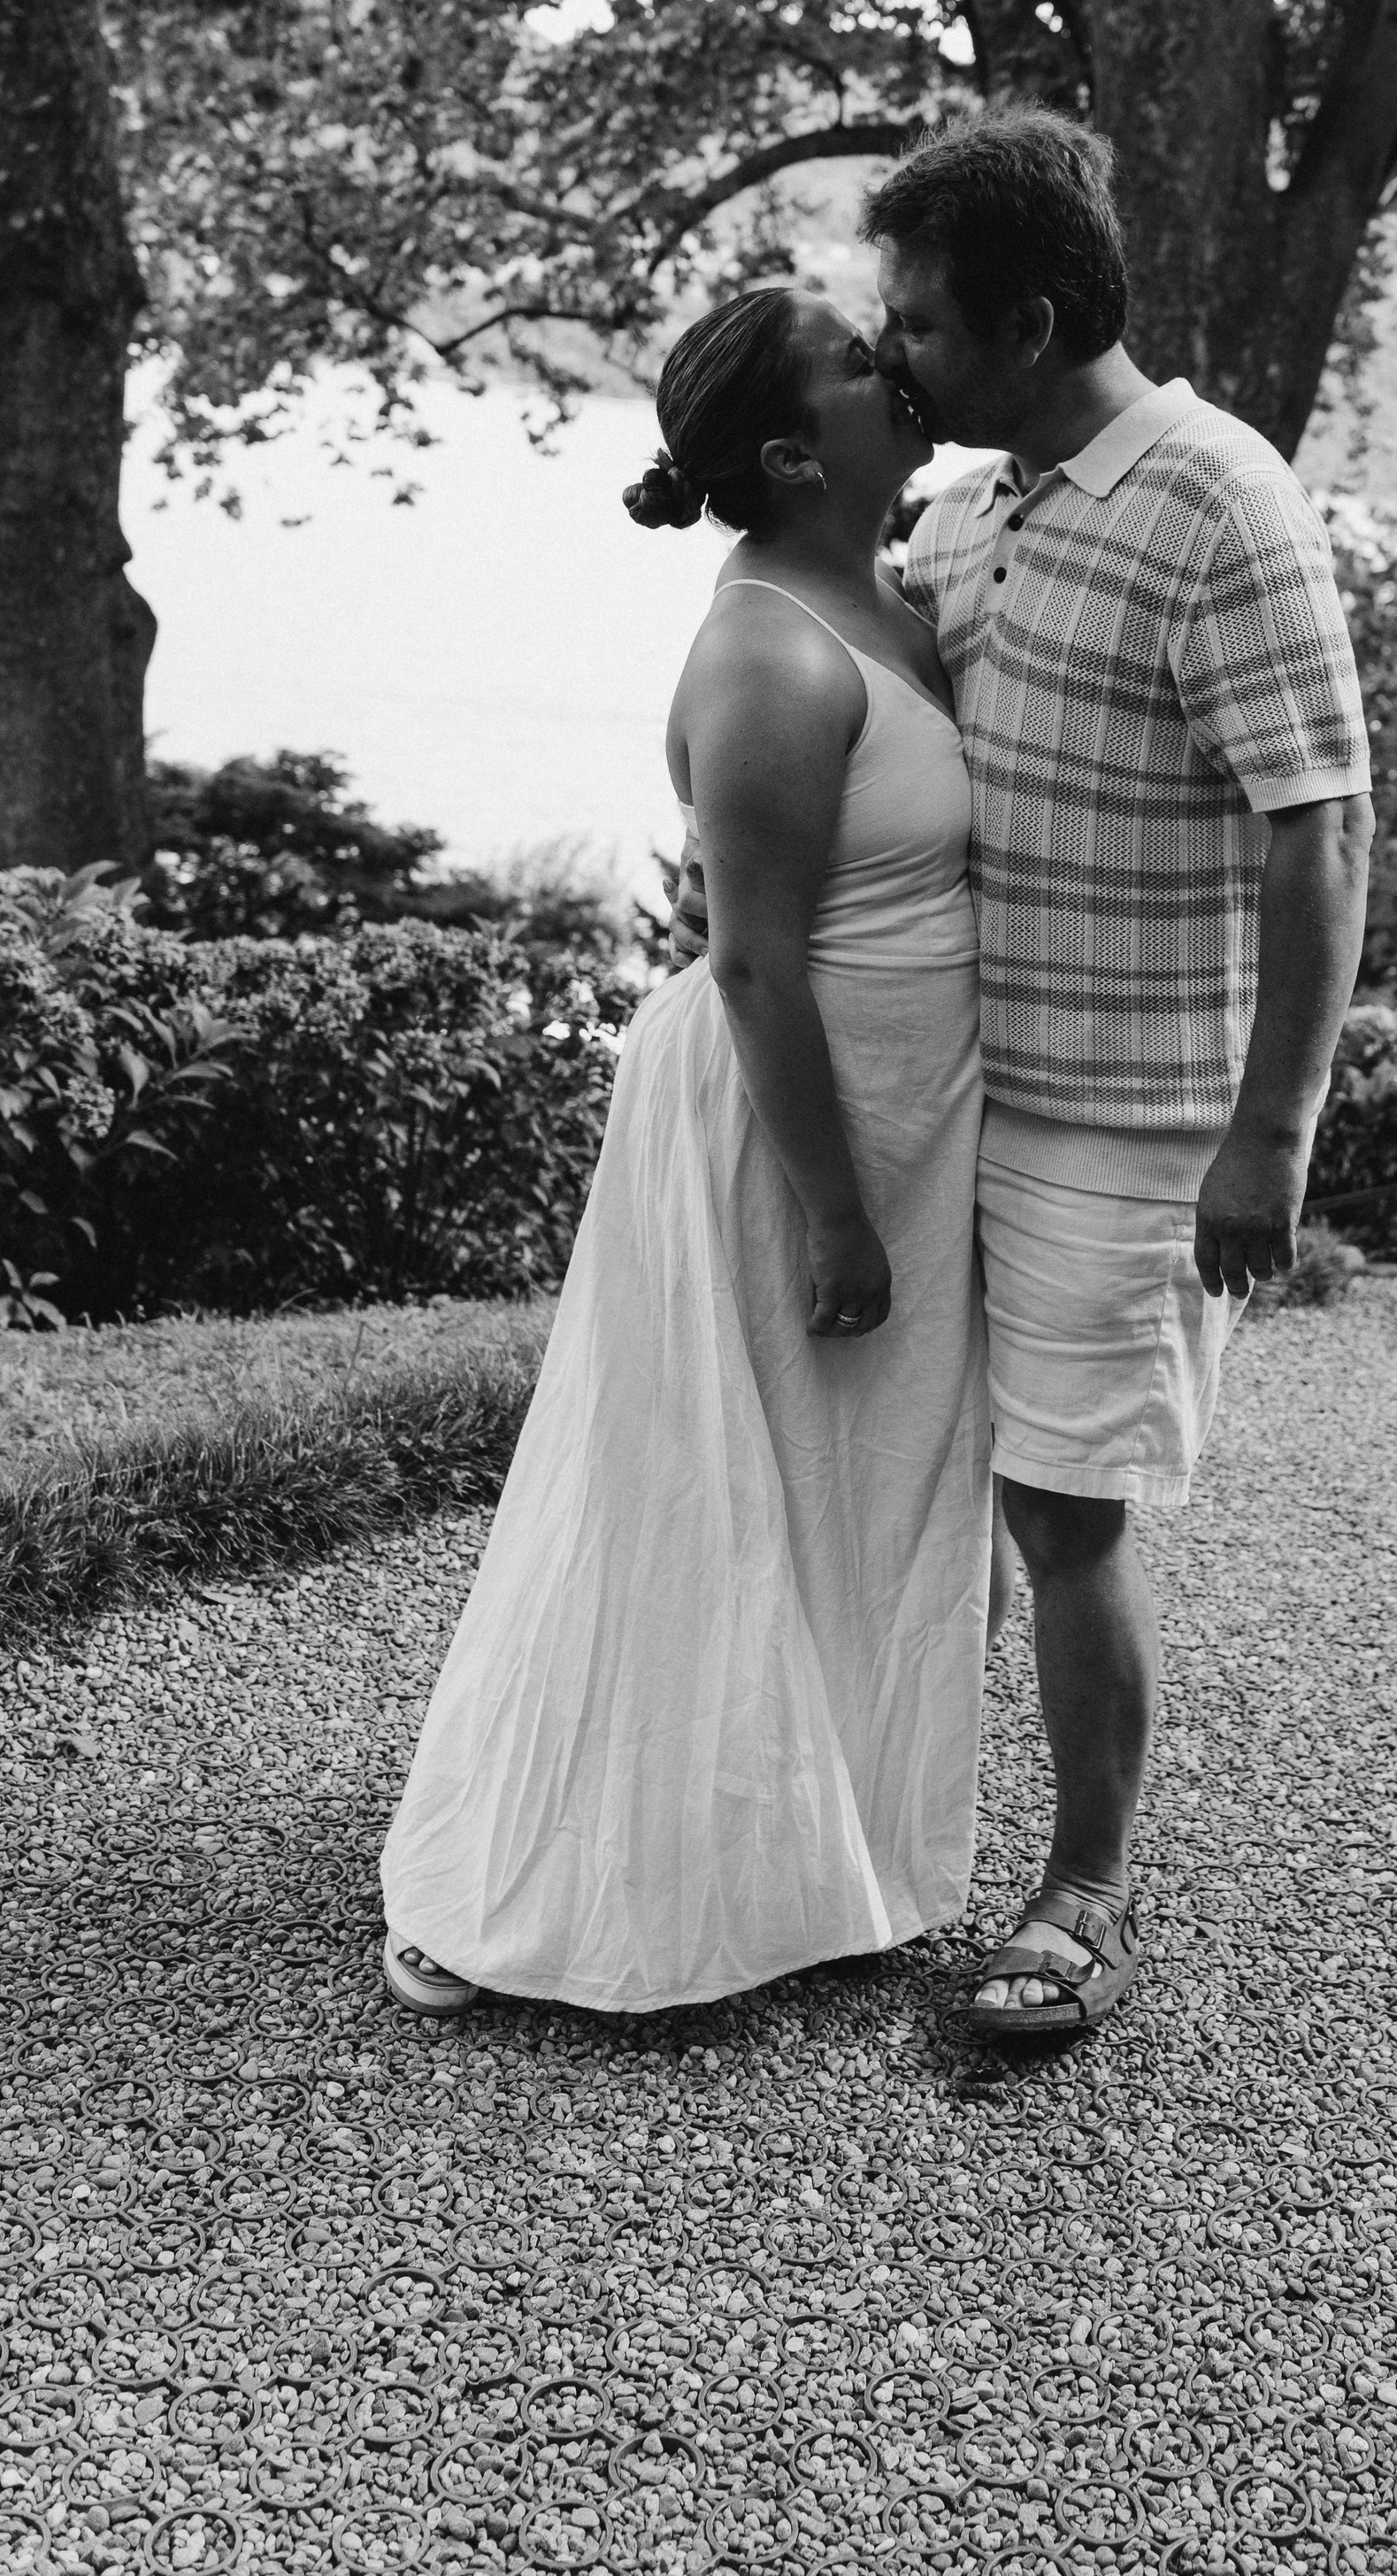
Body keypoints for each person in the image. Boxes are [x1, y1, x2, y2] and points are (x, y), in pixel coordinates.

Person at [683, 111, 1374, 2040]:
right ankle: (862, 1843)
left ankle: (1080, 1893)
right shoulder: (971, 513)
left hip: (1133, 1127)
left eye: (915, 319)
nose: (893, 352)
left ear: (1038, 316)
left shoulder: (1219, 499)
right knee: (902, 1491)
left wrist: (1273, 1131)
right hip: (958, 1111)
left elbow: (1318, 827)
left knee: (1065, 1513)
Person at [378, 283, 994, 2016]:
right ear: (799, 452)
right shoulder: (763, 653)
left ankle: (809, 1860)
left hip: (902, 1120)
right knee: (694, 1495)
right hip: (775, 1137)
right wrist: (835, 1215)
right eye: (868, 367)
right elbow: (750, 959)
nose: (905, 372)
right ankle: (557, 1882)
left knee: (837, 1492)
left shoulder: (887, 586)